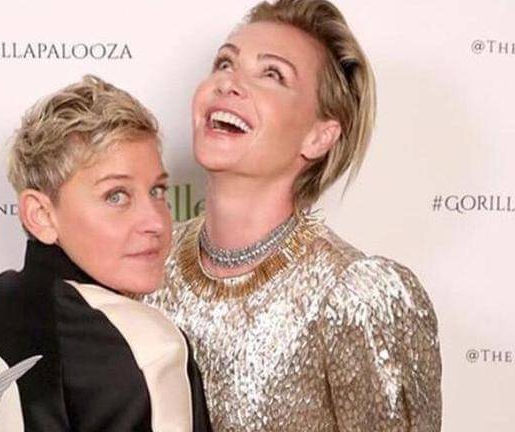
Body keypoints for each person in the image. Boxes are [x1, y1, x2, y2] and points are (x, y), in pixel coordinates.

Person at [144, 1, 442, 431]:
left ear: (319, 136)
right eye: (225, 63)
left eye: (272, 74)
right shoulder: (144, 262)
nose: (229, 82)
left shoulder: (356, 297)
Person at [0, 75, 212, 432]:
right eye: (116, 196)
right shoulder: (146, 346)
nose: (156, 221)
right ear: (41, 216)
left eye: (157, 191)